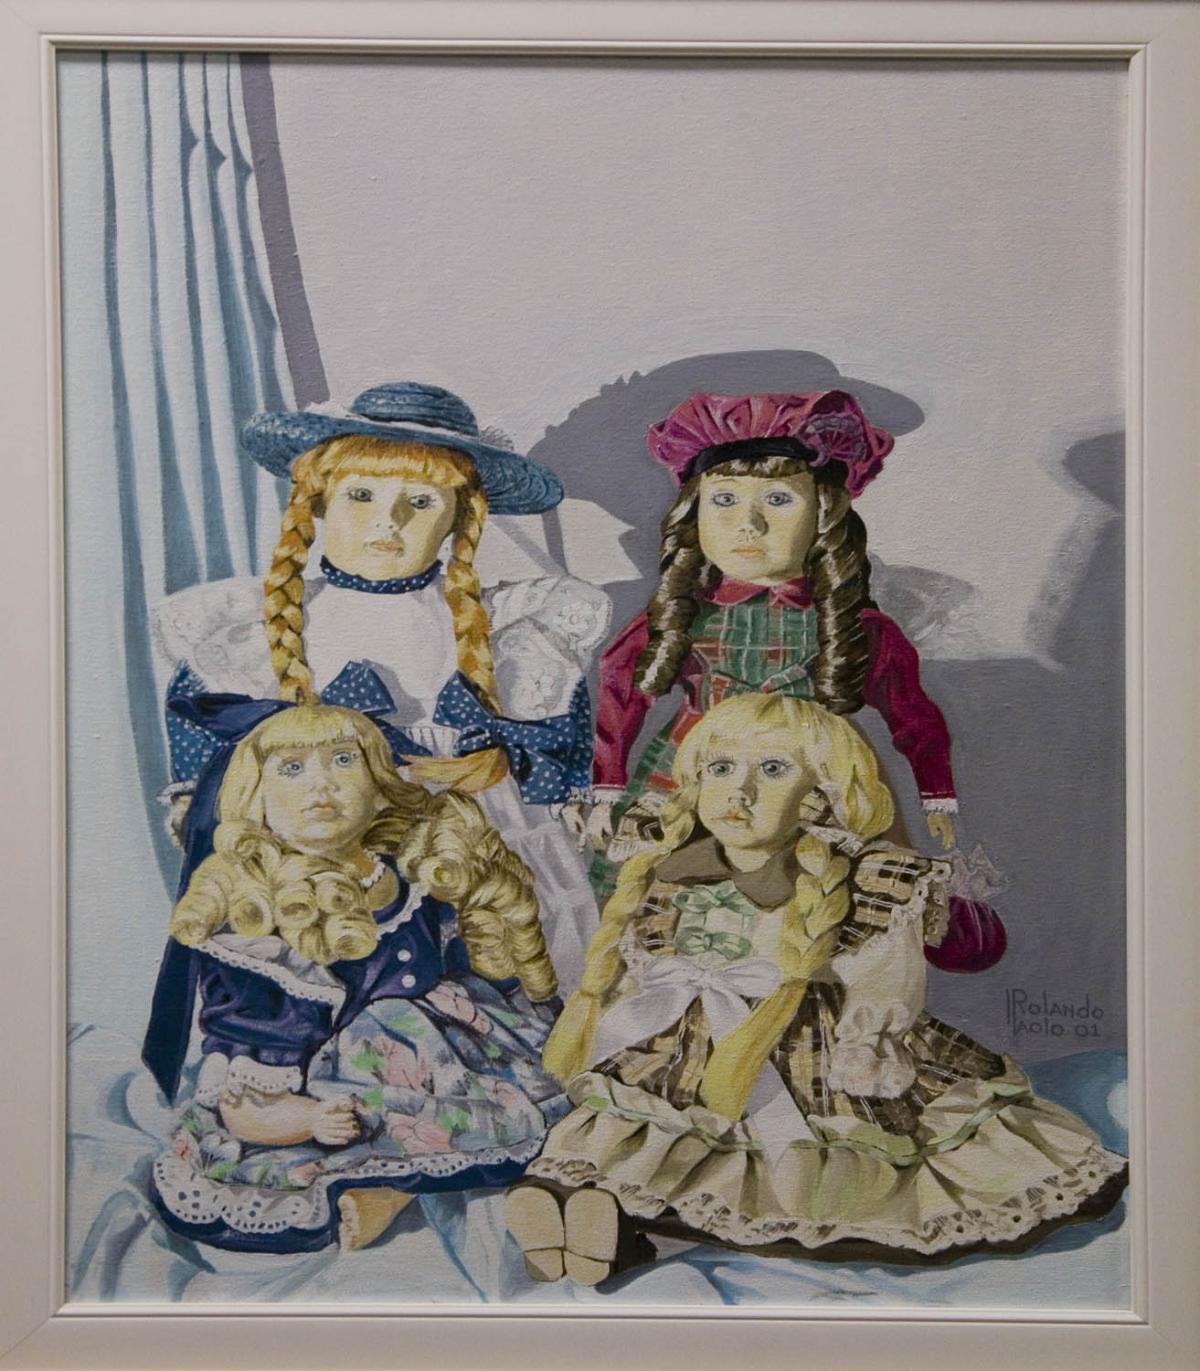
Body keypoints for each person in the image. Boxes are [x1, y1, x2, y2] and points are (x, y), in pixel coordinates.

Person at [508, 693, 1126, 1284]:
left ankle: (631, 1237)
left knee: (804, 1170)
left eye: (773, 770)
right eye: (721, 768)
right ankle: (595, 1220)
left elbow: (885, 971)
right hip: (686, 1048)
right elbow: (643, 964)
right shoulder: (672, 865)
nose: (740, 792)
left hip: (810, 1046)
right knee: (640, 1135)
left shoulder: (866, 880)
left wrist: (870, 1035)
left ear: (820, 793)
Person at [149, 382, 609, 1042]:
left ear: (459, 518)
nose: (387, 522)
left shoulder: (511, 624)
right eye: (361, 496)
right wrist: (200, 802)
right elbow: (206, 720)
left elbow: (555, 734)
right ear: (317, 501)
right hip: (328, 826)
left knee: (498, 963)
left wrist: (511, 765)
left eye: (419, 503)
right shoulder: (257, 627)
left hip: (473, 828)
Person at [579, 387, 1002, 971]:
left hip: (819, 778)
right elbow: (619, 686)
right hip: (696, 773)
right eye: (723, 500)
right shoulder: (683, 615)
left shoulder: (852, 625)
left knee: (835, 915)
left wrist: (936, 791)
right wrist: (606, 784)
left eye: (777, 500)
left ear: (823, 514)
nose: (747, 524)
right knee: (671, 906)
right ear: (693, 513)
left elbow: (910, 711)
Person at [150, 702, 567, 1254]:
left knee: (547, 1099)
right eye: (292, 768)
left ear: (380, 787)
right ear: (255, 799)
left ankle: (404, 1189)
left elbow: (473, 963)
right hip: (336, 1084)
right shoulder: (262, 924)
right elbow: (245, 1098)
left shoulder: (410, 873)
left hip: (454, 1059)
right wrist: (310, 1119)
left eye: (344, 760)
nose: (321, 784)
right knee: (342, 1141)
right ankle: (380, 1189)